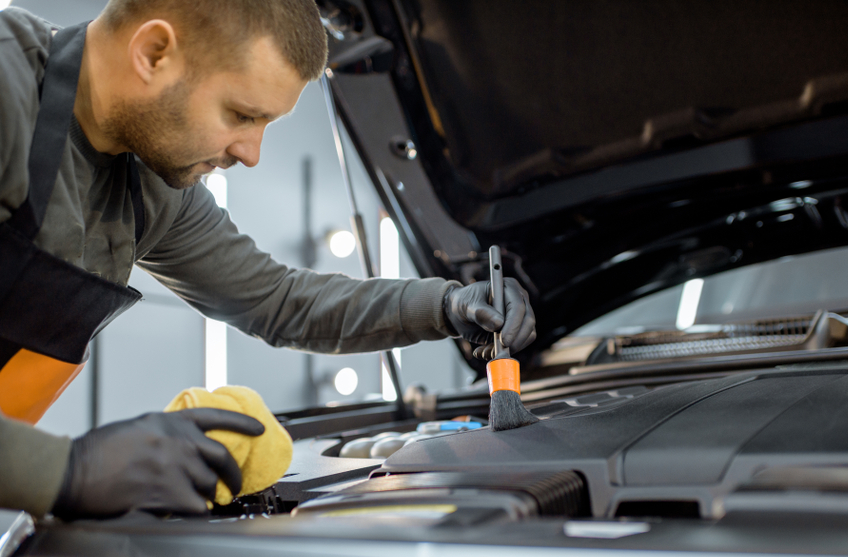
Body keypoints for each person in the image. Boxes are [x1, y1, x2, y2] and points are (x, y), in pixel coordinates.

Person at [0, 0, 536, 520]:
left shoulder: (152, 188)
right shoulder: (8, 88)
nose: (250, 154)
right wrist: (67, 471)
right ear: (154, 52)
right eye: (240, 114)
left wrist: (445, 305)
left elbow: (278, 300)